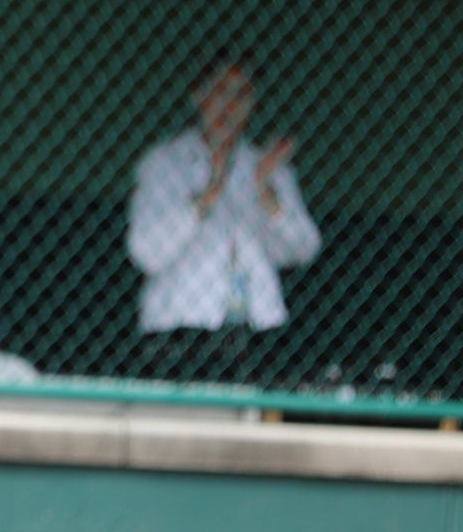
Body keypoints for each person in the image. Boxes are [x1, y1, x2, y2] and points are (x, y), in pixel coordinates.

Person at [127, 50, 320, 383]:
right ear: (198, 96)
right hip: (182, 329)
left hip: (258, 330)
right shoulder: (165, 164)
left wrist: (267, 195)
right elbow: (146, 253)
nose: (229, 106)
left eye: (241, 95)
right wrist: (204, 200)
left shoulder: (266, 167)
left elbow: (303, 249)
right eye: (220, 92)